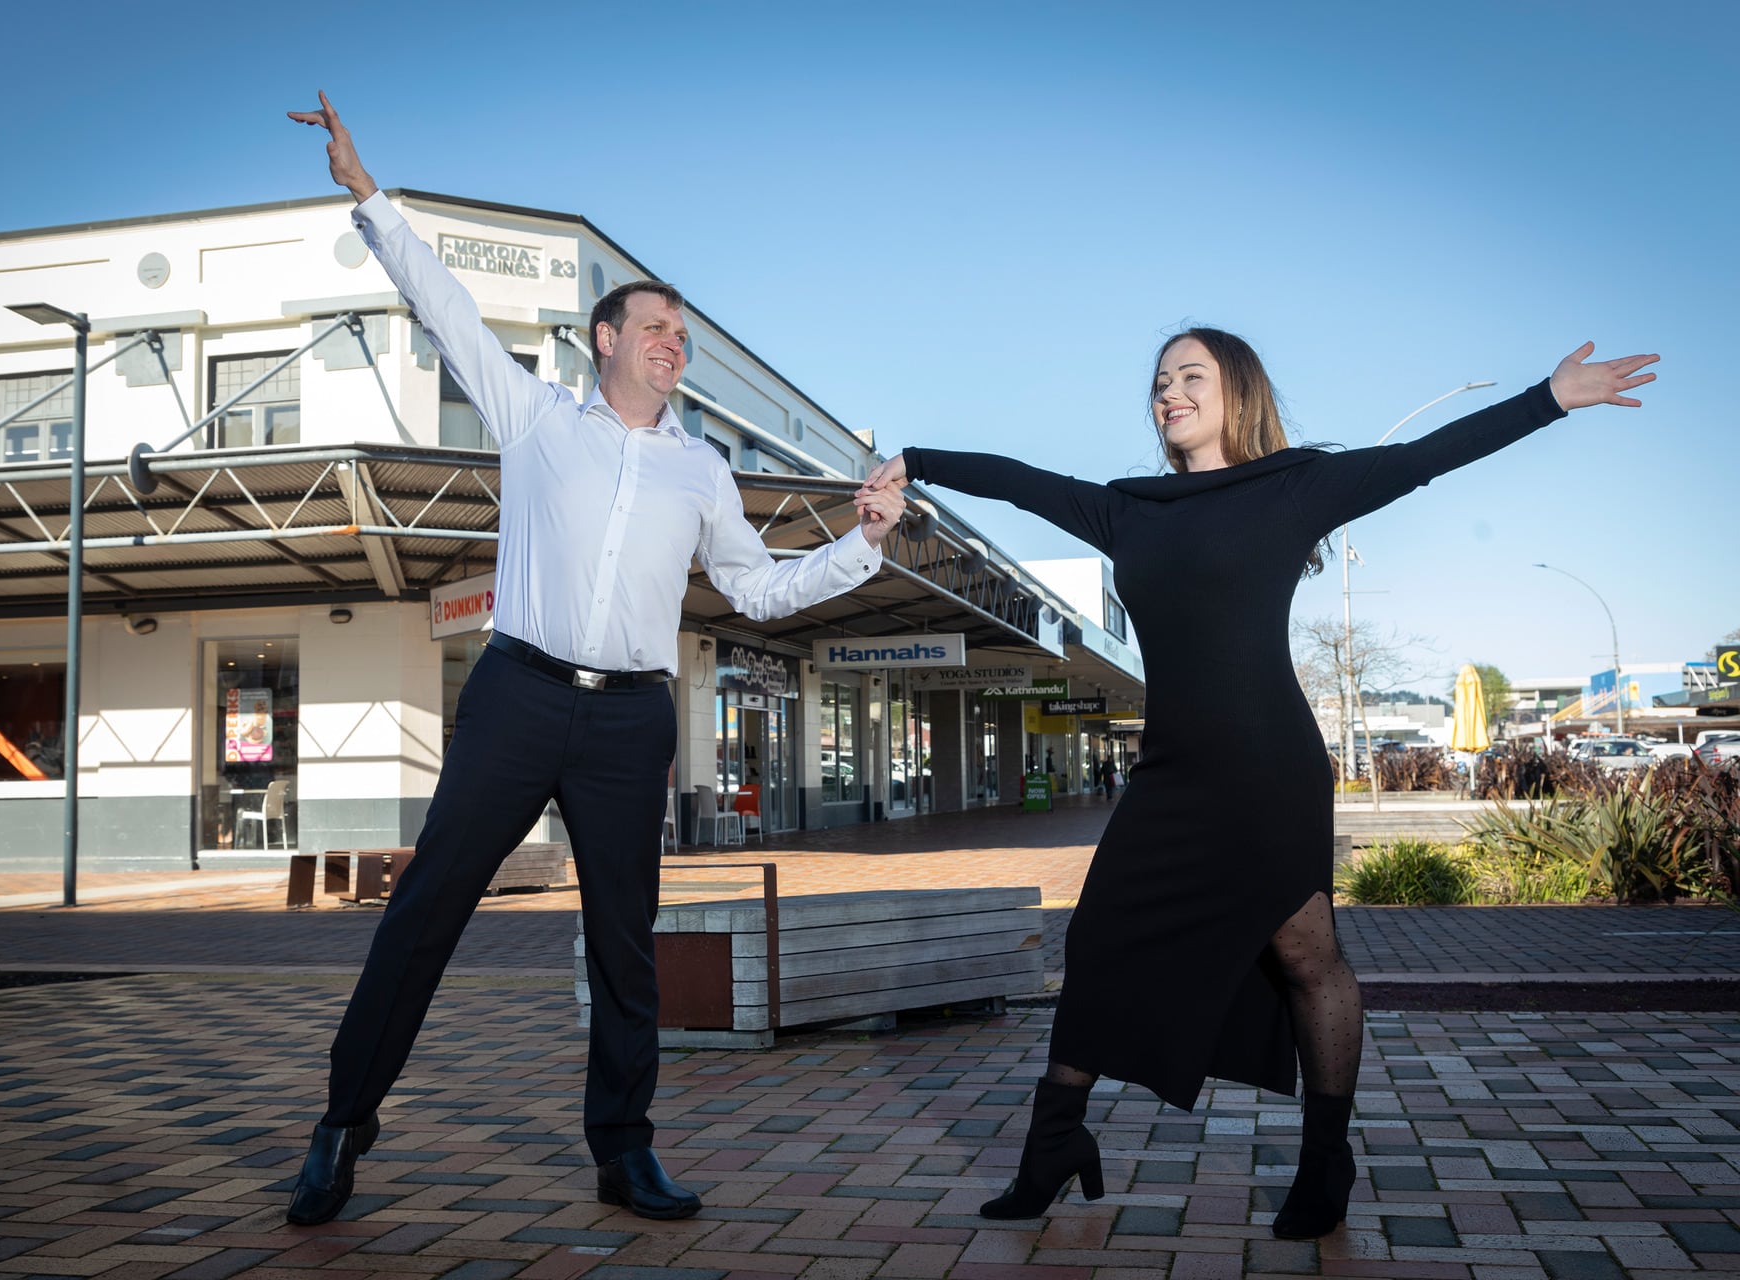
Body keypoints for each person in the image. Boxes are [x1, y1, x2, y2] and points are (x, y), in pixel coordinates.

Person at [861, 330, 1656, 1236]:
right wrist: (916, 461)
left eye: (1189, 377)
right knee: (1099, 940)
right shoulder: (1132, 510)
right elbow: (1019, 479)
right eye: (1160, 382)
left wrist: (1548, 397)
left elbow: (1426, 457)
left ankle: (1326, 1162)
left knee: (1305, 955)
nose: (1168, 394)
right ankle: (1055, 1143)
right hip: (1171, 776)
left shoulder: (1294, 488)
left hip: (1269, 770)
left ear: (1236, 391)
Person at [285, 92, 907, 1226]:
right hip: (518, 690)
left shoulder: (703, 473)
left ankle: (625, 1151)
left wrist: (861, 543)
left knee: (627, 941)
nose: (674, 342)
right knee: (426, 908)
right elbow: (445, 308)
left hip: (630, 720)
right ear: (606, 340)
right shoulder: (535, 417)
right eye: (655, 326)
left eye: (684, 333)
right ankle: (342, 1122)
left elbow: (760, 588)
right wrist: (367, 194)